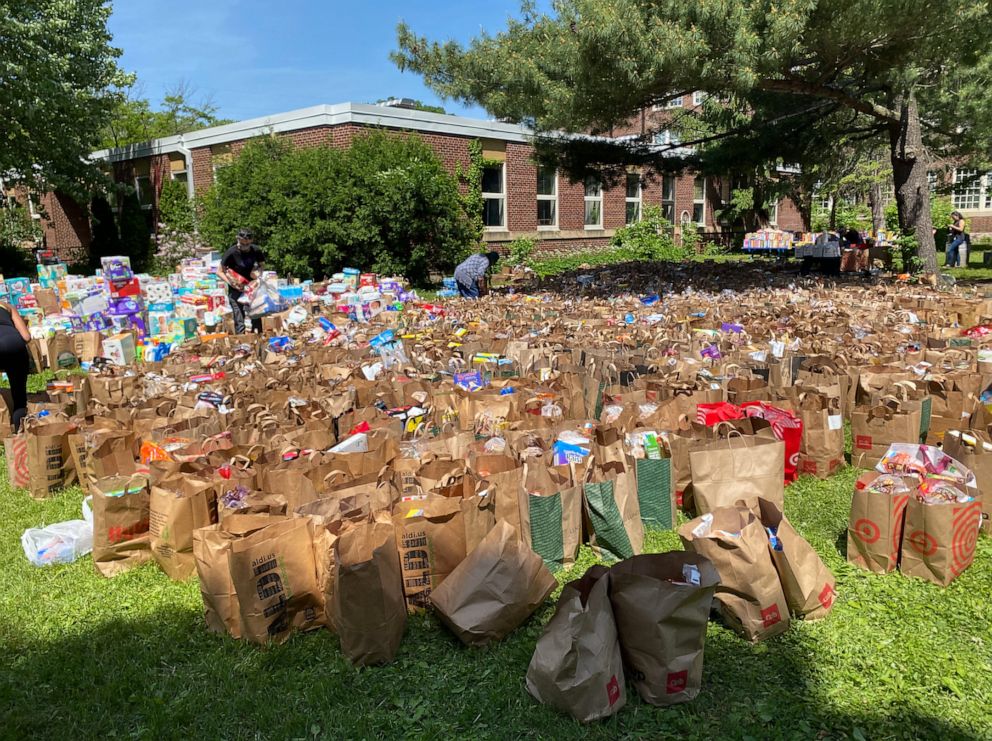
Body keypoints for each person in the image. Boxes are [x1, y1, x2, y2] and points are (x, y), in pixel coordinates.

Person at [219, 228, 265, 333]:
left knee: (256, 312)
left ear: (251, 241)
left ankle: (257, 336)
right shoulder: (231, 252)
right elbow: (220, 271)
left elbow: (262, 265)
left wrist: (258, 273)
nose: (244, 246)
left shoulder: (255, 250)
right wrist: (231, 282)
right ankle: (241, 339)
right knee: (239, 315)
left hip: (252, 287)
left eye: (247, 243)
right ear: (238, 239)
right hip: (236, 288)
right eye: (242, 243)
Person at [0, 300, 32, 432]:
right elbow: (26, 337)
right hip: (16, 344)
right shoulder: (7, 306)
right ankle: (20, 433)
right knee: (19, 395)